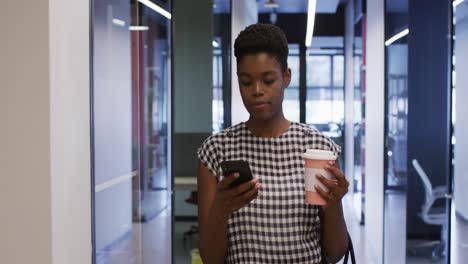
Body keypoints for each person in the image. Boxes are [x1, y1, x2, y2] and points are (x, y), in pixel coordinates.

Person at [197, 23, 349, 264]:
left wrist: (333, 206)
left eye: (268, 80)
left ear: (286, 77)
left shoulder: (317, 148)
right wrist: (221, 209)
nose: (257, 91)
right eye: (246, 82)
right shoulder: (216, 150)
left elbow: (335, 253)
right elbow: (211, 259)